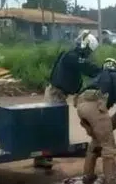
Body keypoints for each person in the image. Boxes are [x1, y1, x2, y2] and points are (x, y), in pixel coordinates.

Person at [34, 29, 102, 168]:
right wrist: (104, 70)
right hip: (55, 94)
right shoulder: (73, 57)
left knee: (54, 126)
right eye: (89, 51)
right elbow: (88, 68)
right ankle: (41, 158)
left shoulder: (71, 55)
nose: (89, 54)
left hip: (57, 93)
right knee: (52, 127)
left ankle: (45, 156)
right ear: (85, 46)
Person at [75, 58, 116, 184]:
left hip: (81, 106)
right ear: (115, 66)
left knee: (96, 141)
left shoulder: (100, 75)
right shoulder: (114, 74)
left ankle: (88, 176)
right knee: (108, 146)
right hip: (94, 107)